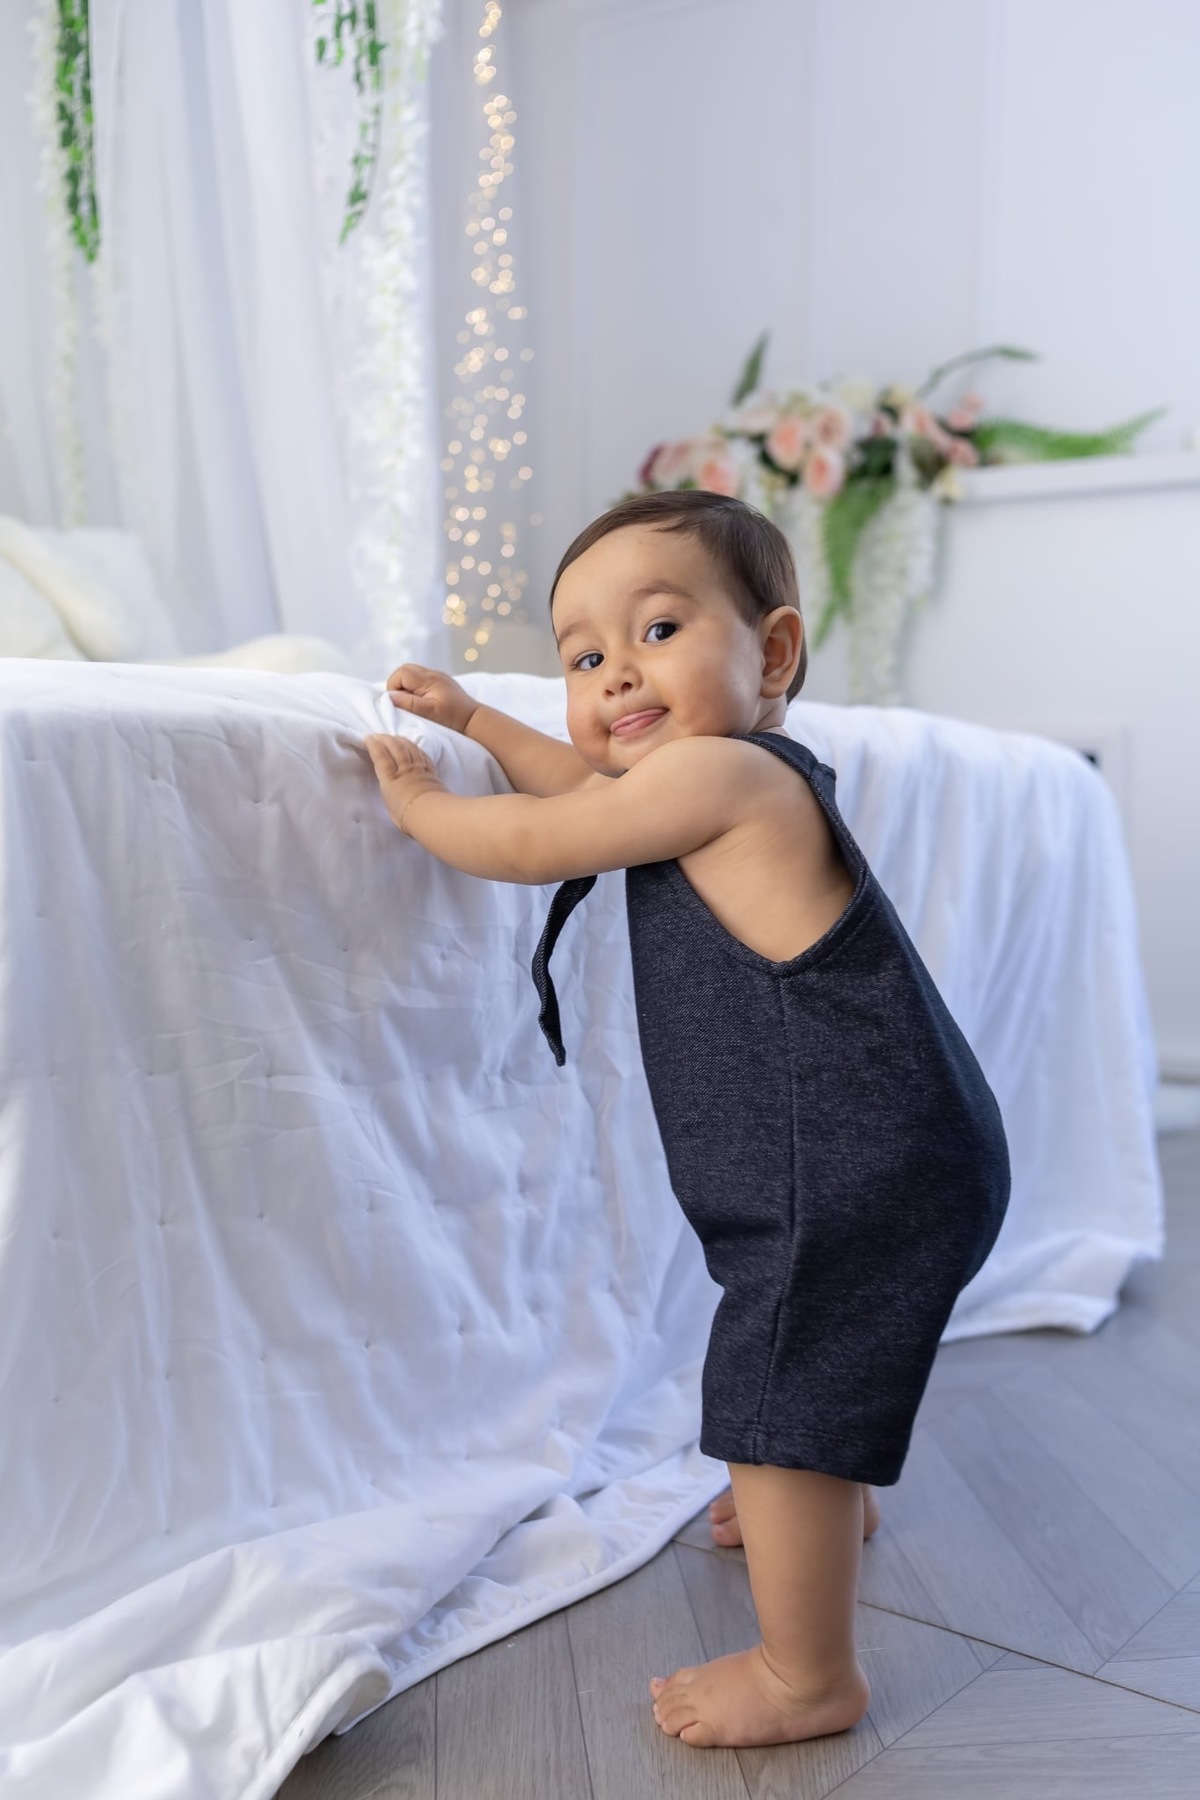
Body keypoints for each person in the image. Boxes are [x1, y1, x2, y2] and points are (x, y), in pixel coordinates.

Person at [363, 489, 1010, 1750]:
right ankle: (822, 1495)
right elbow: (586, 789)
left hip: (846, 1166)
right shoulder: (692, 784)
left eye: (655, 632)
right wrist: (475, 717)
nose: (615, 678)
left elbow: (550, 833)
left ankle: (805, 1674)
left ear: (771, 654)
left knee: (773, 1377)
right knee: (822, 1362)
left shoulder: (726, 777)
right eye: (585, 658)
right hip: (891, 1148)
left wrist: (423, 809)